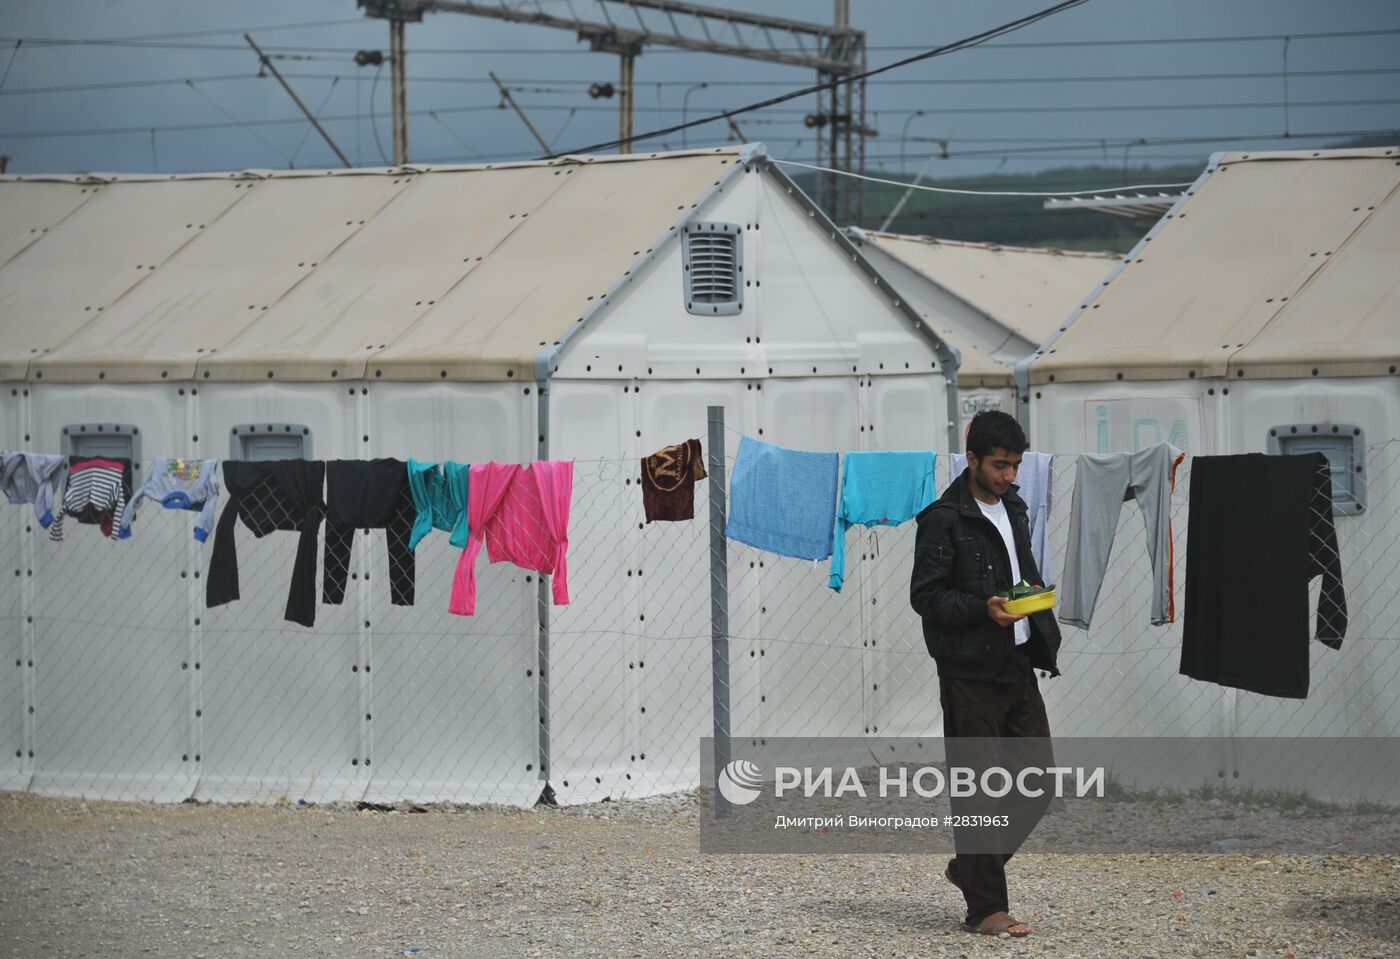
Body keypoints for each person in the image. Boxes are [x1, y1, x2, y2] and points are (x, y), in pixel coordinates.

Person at [909, 410, 1062, 938]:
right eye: (1000, 465)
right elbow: (925, 597)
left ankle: (971, 870)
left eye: (1016, 465)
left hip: (1019, 665)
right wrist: (984, 608)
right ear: (971, 459)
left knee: (1038, 781)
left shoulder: (1014, 507)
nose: (1010, 476)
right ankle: (986, 910)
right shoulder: (943, 518)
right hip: (969, 672)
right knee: (980, 791)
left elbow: (1022, 571)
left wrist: (1036, 608)